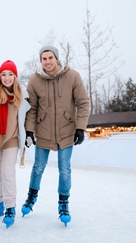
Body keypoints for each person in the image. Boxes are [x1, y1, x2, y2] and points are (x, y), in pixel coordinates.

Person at [21, 46, 90, 227]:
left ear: (56, 59)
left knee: (64, 169)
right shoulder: (35, 80)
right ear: (41, 60)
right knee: (37, 168)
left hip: (67, 131)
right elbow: (32, 108)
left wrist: (80, 128)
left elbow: (83, 103)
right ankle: (31, 197)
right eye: (44, 58)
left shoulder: (72, 76)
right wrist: (29, 131)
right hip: (43, 132)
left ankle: (63, 203)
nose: (48, 61)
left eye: (50, 57)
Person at [0, 60, 30, 228]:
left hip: (11, 139)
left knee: (7, 172)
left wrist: (29, 134)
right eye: (4, 74)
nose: (7, 78)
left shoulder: (22, 97)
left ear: (15, 77)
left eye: (10, 74)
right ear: (0, 76)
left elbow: (29, 118)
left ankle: (10, 207)